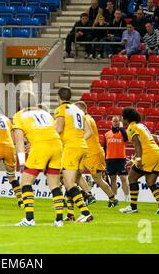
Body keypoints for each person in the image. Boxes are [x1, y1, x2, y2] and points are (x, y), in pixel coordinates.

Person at [12, 91, 66, 226]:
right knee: (54, 184)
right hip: (57, 145)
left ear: (21, 103)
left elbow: (19, 142)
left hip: (41, 147)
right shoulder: (46, 113)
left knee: (25, 182)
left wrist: (22, 162)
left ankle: (29, 219)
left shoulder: (19, 116)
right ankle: (59, 219)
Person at [54, 88, 94, 223]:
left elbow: (58, 129)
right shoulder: (78, 110)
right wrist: (78, 140)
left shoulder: (61, 109)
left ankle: (86, 212)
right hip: (82, 147)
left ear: (58, 97)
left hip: (71, 148)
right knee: (69, 180)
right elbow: (89, 132)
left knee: (68, 182)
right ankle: (71, 214)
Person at [119, 107, 159, 215]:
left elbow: (138, 144)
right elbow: (143, 143)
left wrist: (138, 160)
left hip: (148, 154)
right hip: (157, 154)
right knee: (151, 182)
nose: (122, 119)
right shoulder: (141, 125)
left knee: (131, 178)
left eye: (122, 117)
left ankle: (133, 207)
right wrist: (134, 159)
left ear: (127, 118)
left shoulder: (131, 127)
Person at [75, 101, 118, 207]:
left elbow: (87, 134)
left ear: (83, 110)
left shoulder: (87, 119)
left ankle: (112, 199)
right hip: (86, 153)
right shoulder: (85, 118)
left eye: (77, 110)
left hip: (93, 153)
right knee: (75, 174)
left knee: (98, 178)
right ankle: (89, 196)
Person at [103, 116, 130, 201]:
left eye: (117, 121)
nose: (115, 123)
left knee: (124, 179)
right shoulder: (107, 134)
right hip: (110, 160)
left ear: (119, 122)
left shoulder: (123, 133)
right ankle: (114, 197)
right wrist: (104, 160)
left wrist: (121, 128)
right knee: (113, 179)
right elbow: (105, 148)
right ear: (111, 122)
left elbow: (127, 138)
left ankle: (127, 197)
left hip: (121, 159)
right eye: (114, 121)